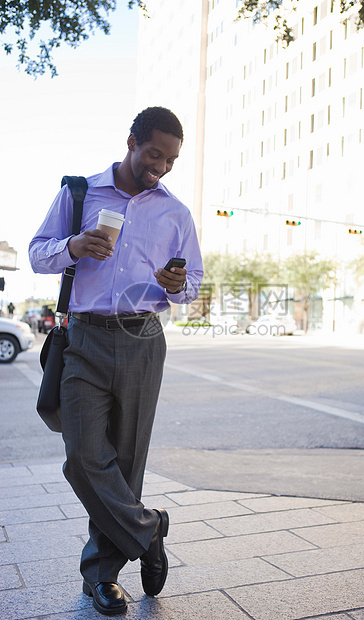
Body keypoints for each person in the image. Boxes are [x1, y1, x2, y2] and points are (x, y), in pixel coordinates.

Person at [29, 107, 203, 616]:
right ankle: (148, 530)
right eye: (154, 154)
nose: (161, 167)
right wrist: (73, 246)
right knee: (83, 456)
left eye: (171, 159)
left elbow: (192, 284)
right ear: (131, 142)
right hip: (83, 336)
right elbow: (39, 251)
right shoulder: (80, 192)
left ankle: (102, 577)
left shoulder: (176, 213)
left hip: (143, 336)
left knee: (125, 464)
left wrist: (179, 284)